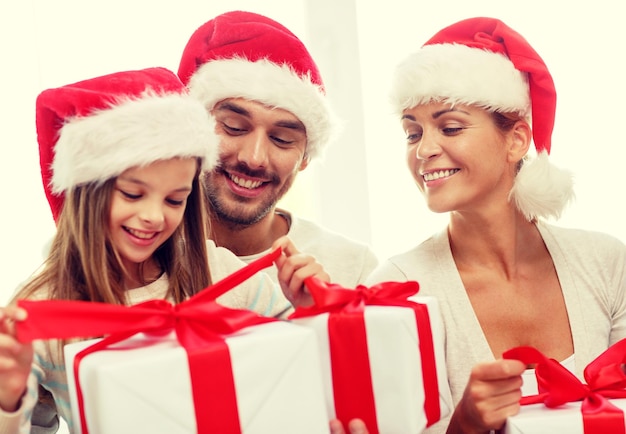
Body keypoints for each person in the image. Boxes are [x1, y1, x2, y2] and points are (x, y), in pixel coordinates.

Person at [0, 67, 328, 433]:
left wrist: (312, 313)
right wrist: (8, 399)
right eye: (132, 194)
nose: (154, 216)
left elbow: (302, 377)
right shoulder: (45, 310)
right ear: (86, 192)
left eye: (174, 200)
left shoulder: (223, 273)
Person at [357, 16, 626, 434]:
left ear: (516, 140)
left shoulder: (606, 262)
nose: (424, 150)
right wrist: (463, 426)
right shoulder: (398, 289)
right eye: (412, 133)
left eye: (450, 127)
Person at [177, 10, 379, 290]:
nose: (254, 158)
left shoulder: (353, 269)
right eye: (234, 127)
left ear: (305, 157)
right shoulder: (134, 260)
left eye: (282, 139)